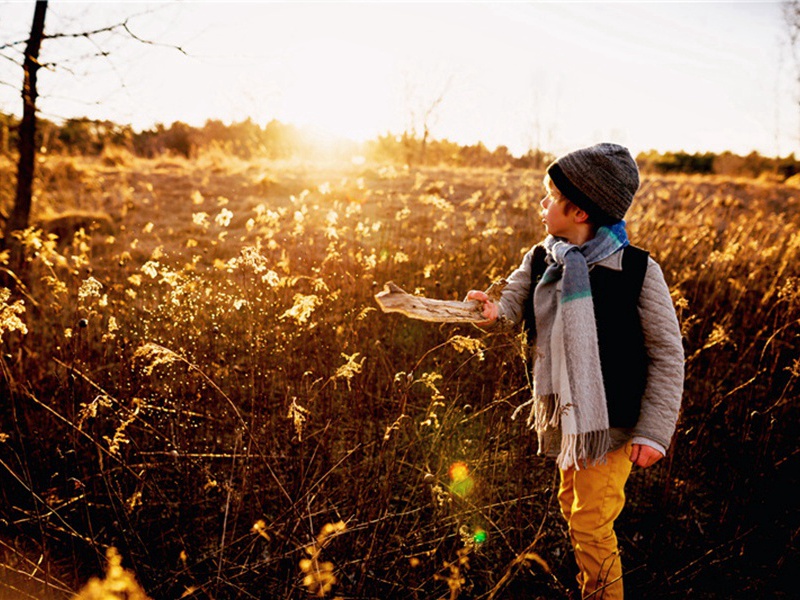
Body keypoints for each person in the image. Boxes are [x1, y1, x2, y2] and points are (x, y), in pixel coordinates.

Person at [466, 143, 684, 599]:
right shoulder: (544, 257)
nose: (541, 203)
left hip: (615, 424)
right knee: (573, 507)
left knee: (592, 521)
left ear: (580, 210)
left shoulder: (637, 269)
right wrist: (490, 309)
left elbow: (667, 353)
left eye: (550, 195)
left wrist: (653, 432)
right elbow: (512, 300)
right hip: (568, 418)